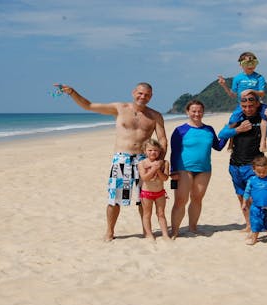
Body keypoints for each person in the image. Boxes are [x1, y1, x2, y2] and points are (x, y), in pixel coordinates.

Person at [56, 82, 167, 242]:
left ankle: (146, 230)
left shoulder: (155, 116)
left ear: (151, 96)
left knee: (144, 198)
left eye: (147, 94)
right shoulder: (120, 108)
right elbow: (89, 106)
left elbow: (162, 140)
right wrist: (72, 92)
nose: (143, 97)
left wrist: (159, 162)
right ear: (133, 92)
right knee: (115, 199)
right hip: (122, 159)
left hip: (144, 161)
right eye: (140, 93)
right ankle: (109, 231)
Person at [218, 89, 267, 233]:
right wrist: (238, 129)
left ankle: (257, 227)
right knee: (241, 197)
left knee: (255, 198)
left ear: (257, 104)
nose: (248, 109)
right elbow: (222, 134)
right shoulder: (237, 119)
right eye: (244, 106)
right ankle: (249, 225)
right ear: (241, 106)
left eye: (251, 106)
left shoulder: (263, 119)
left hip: (253, 167)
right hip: (235, 165)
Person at [169, 100, 226, 239]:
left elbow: (218, 147)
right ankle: (175, 231)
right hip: (184, 169)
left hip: (204, 169)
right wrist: (173, 171)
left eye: (199, 111)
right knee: (180, 201)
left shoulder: (209, 129)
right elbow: (174, 152)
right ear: (188, 112)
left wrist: (226, 134)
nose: (197, 114)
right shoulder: (180, 130)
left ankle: (193, 227)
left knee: (197, 199)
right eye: (193, 111)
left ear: (203, 112)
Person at [218, 52, 267, 152]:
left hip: (256, 104)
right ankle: (231, 142)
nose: (250, 66)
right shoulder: (238, 78)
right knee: (233, 122)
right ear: (241, 64)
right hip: (242, 105)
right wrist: (224, 85)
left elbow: (262, 93)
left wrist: (251, 91)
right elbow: (232, 94)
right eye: (247, 64)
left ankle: (263, 142)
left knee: (265, 117)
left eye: (253, 63)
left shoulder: (259, 77)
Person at [137, 139, 171, 241]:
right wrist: (153, 169)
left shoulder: (164, 163)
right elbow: (145, 178)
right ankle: (149, 234)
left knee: (161, 214)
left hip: (160, 193)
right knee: (147, 214)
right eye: (150, 150)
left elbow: (165, 178)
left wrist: (158, 170)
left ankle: (165, 234)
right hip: (146, 193)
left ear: (160, 151)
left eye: (155, 150)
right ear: (145, 151)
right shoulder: (142, 163)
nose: (153, 152)